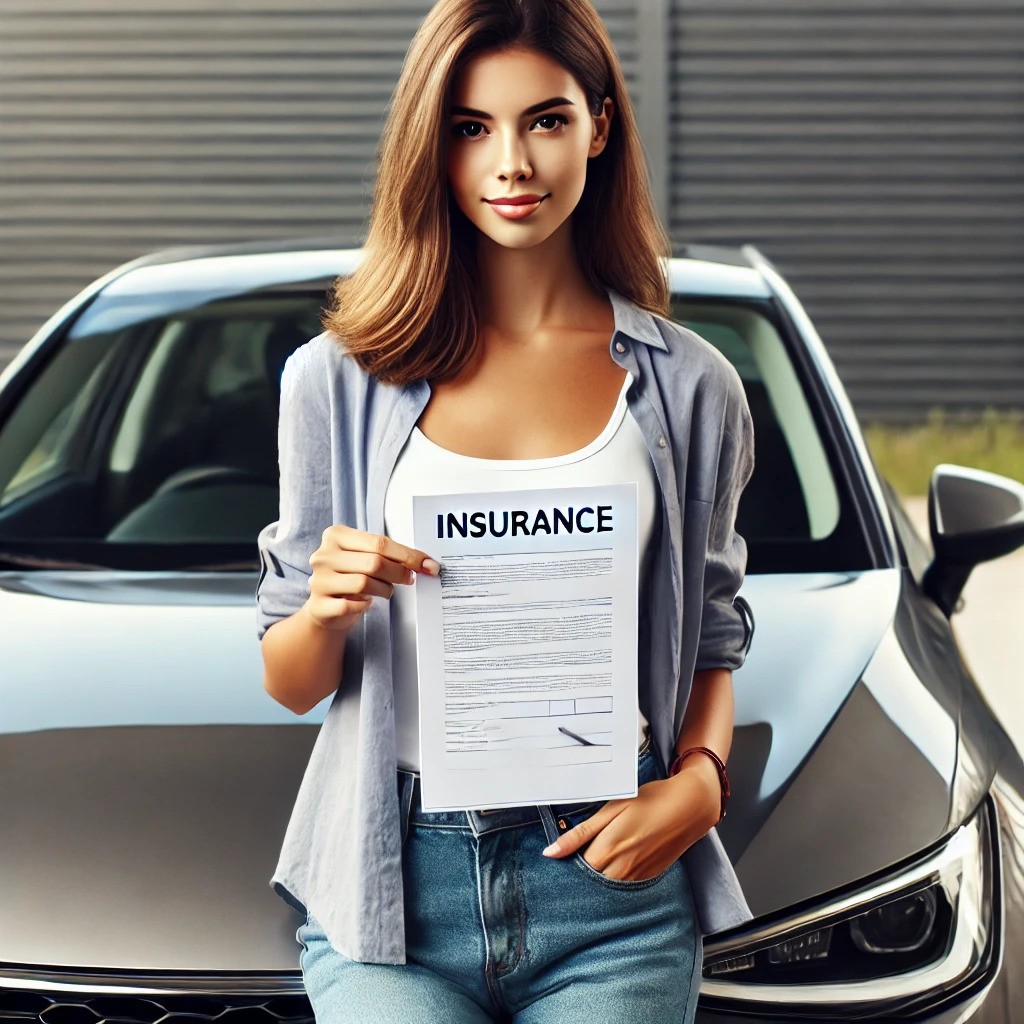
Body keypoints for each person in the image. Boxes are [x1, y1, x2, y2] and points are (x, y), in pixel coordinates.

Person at [256, 0, 756, 1020]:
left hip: (610, 881)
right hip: (394, 892)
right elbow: (290, 681)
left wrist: (699, 783)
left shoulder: (692, 387)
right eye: (470, 127)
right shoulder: (332, 383)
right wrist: (324, 607)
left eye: (546, 120)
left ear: (600, 126)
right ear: (428, 143)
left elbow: (712, 633)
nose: (512, 163)